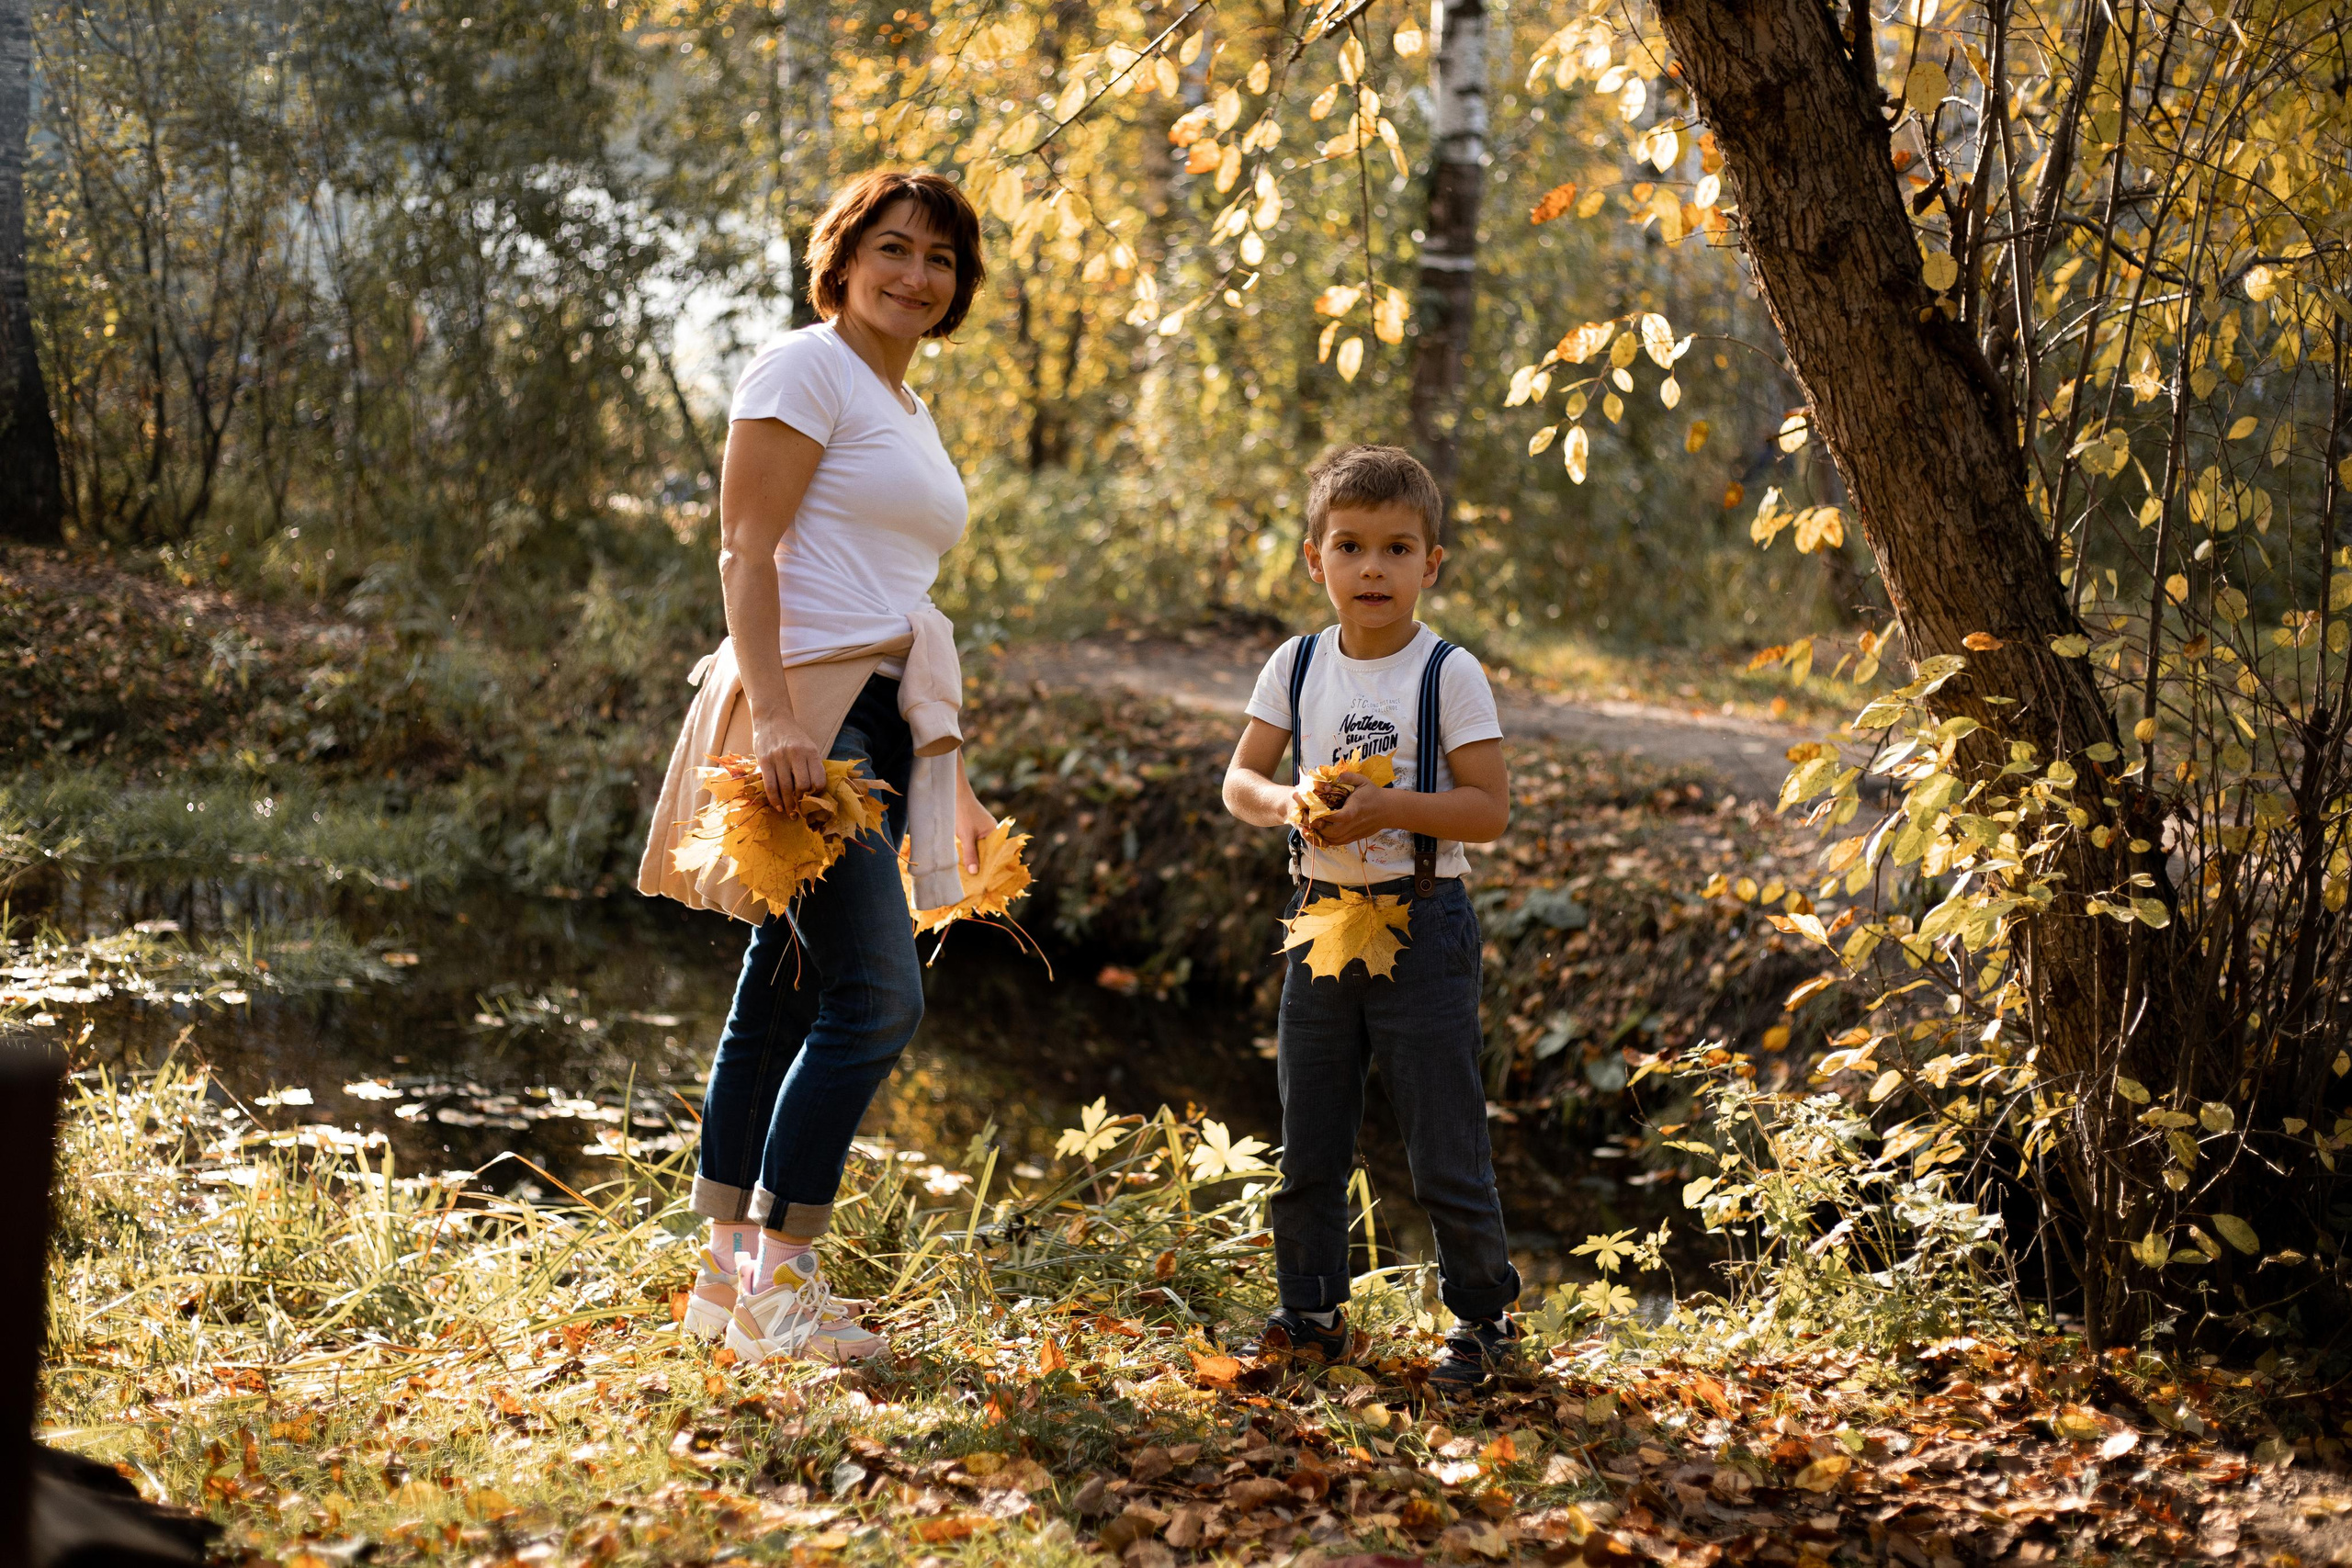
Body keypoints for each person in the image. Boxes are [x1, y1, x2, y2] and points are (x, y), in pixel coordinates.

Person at [638, 170, 997, 1366]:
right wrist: (785, 720)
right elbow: (745, 547)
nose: (916, 273)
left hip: (884, 718)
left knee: (783, 985)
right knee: (878, 994)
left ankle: (723, 1288)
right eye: (892, 248)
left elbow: (899, 593)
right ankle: (779, 1280)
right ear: (839, 260)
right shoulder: (805, 368)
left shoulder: (907, 404)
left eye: (940, 258)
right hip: (811, 710)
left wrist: (947, 767)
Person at [1219, 444, 1523, 1392]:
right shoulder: (1297, 663)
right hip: (1320, 917)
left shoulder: (1448, 673)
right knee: (1309, 1132)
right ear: (1315, 560)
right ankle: (1309, 1310)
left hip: (1424, 923)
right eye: (1350, 546)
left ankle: (1481, 1322)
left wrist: (1389, 808)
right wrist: (1290, 802)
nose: (1372, 568)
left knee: (1442, 1136)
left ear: (1430, 564)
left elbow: (1487, 810)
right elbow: (1240, 780)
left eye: (1397, 549)